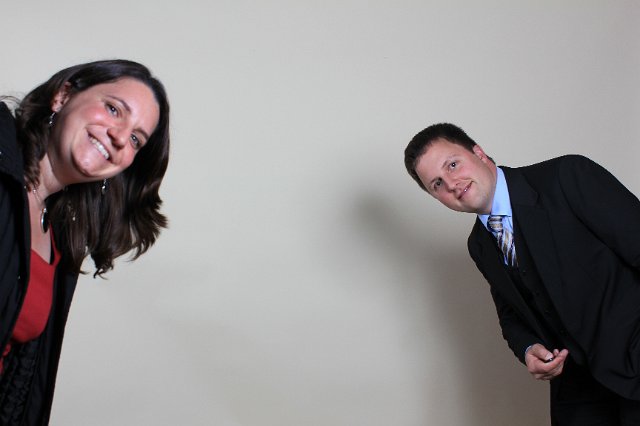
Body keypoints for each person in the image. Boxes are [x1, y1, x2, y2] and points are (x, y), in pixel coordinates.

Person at [404, 123, 640, 425]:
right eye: (436, 184)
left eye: (453, 164)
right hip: (578, 393)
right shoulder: (479, 245)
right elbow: (511, 315)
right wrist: (528, 349)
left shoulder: (566, 176)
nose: (451, 183)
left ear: (479, 153)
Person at [0, 59, 170, 424]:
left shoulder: (59, 238)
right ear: (63, 96)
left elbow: (19, 384)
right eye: (113, 109)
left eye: (136, 139)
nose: (120, 137)